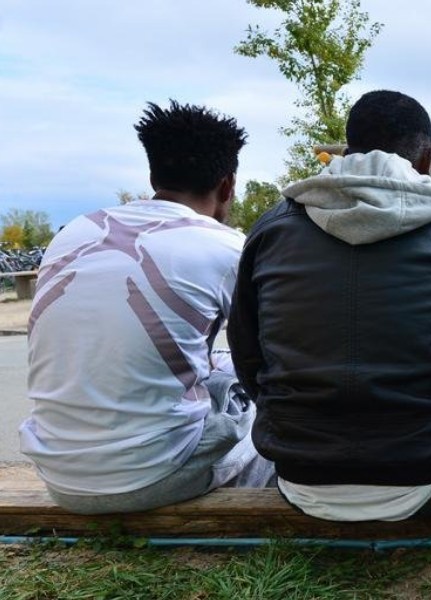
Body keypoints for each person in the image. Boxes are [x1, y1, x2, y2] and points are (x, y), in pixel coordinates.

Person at [229, 90, 431, 522]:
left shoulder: (271, 230)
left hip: (299, 475)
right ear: (426, 159)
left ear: (345, 152)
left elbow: (249, 360)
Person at [20, 100, 273, 514]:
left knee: (220, 366)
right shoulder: (224, 247)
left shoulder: (74, 233)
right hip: (149, 478)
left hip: (60, 479)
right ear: (228, 186)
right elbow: (271, 354)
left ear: (153, 175)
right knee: (252, 393)